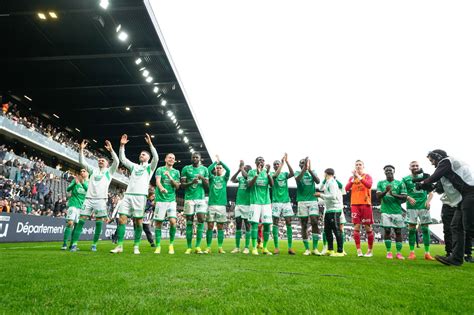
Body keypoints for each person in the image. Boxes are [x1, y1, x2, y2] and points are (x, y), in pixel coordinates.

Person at [418, 150, 474, 266]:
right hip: (463, 197)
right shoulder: (449, 168)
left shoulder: (446, 161)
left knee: (469, 226)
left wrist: (422, 182)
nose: (432, 164)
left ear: (438, 157)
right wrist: (429, 186)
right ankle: (456, 259)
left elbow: (435, 176)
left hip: (470, 194)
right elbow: (440, 188)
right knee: (456, 226)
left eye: (432, 160)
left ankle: (456, 258)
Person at [110, 133, 158, 255]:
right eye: (141, 154)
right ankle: (119, 246)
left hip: (140, 196)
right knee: (121, 220)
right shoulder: (134, 167)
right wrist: (121, 146)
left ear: (148, 157)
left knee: (138, 222)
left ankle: (136, 246)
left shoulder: (149, 168)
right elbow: (123, 159)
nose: (141, 155)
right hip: (128, 195)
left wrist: (150, 144)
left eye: (144, 154)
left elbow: (156, 158)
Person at [70, 139, 119, 252]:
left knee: (98, 223)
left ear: (107, 164)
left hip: (101, 200)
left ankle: (94, 244)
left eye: (103, 160)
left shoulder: (109, 172)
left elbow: (116, 162)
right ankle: (74, 244)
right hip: (88, 199)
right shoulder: (93, 170)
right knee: (81, 221)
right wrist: (81, 149)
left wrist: (111, 150)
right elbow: (82, 162)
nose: (100, 161)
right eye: (99, 160)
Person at [401, 161, 435, 260]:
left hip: (423, 206)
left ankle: (427, 253)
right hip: (412, 207)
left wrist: (428, 201)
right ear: (409, 167)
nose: (415, 167)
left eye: (417, 165)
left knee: (425, 229)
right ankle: (412, 252)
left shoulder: (425, 178)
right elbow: (402, 192)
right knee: (411, 229)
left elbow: (431, 193)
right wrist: (408, 197)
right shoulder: (405, 179)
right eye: (413, 166)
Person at [181, 152, 209, 254]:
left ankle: (197, 246)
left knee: (201, 219)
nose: (195, 159)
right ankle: (189, 247)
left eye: (197, 157)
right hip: (189, 198)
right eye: (193, 157)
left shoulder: (204, 170)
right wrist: (192, 182)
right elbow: (182, 185)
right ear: (191, 158)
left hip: (201, 198)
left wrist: (203, 179)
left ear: (200, 159)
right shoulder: (186, 169)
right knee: (189, 220)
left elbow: (208, 187)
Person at [376, 165, 407, 260]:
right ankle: (389, 252)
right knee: (387, 230)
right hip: (385, 210)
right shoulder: (381, 183)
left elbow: (404, 197)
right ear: (384, 172)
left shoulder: (400, 183)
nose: (388, 172)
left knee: (398, 231)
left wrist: (393, 194)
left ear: (394, 171)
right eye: (386, 170)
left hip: (397, 211)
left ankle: (398, 253)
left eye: (390, 170)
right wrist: (386, 191)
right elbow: (378, 196)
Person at [345, 160, 374, 257]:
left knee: (368, 227)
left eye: (360, 164)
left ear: (363, 166)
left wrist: (359, 177)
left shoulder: (367, 176)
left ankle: (370, 251)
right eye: (356, 165)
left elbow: (369, 185)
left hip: (365, 204)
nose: (358, 166)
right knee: (356, 227)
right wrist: (353, 178)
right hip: (355, 204)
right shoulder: (351, 178)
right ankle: (359, 251)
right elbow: (346, 188)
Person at [154, 153, 180, 255]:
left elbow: (177, 186)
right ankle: (158, 246)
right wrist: (161, 188)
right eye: (170, 157)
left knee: (173, 221)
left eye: (173, 158)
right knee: (158, 223)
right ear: (165, 159)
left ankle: (171, 245)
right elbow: (158, 182)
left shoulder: (176, 172)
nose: (171, 159)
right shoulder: (160, 169)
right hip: (160, 199)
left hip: (171, 200)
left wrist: (170, 177)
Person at [247, 156, 274, 255]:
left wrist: (267, 174)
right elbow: (249, 185)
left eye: (263, 160)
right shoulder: (251, 172)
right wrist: (256, 175)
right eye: (259, 160)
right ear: (255, 162)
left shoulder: (267, 172)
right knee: (254, 224)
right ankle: (254, 248)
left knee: (267, 225)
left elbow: (272, 184)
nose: (261, 162)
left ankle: (265, 248)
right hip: (255, 202)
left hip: (266, 202)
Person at [294, 157, 321, 256]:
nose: (304, 164)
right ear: (299, 165)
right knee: (304, 224)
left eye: (305, 163)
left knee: (314, 221)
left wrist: (309, 170)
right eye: (302, 163)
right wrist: (304, 169)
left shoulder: (312, 171)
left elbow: (318, 181)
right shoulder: (297, 172)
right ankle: (307, 249)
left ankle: (315, 248)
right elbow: (297, 180)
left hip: (313, 200)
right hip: (302, 201)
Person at [270, 153, 296, 255]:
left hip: (286, 201)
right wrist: (282, 163)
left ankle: (290, 247)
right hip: (276, 201)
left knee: (289, 222)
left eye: (278, 164)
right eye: (275, 164)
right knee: (275, 222)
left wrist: (287, 162)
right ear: (273, 166)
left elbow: (292, 173)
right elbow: (276, 174)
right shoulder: (272, 175)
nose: (276, 165)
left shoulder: (284, 174)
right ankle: (276, 247)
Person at [204, 155, 230, 254]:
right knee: (210, 225)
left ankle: (220, 247)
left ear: (222, 170)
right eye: (217, 168)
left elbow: (228, 170)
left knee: (220, 227)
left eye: (220, 168)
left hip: (222, 205)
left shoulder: (224, 178)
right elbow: (207, 170)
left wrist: (221, 162)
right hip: (211, 205)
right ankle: (208, 247)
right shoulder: (211, 178)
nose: (218, 169)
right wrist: (215, 163)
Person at [315, 168, 344, 257]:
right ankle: (330, 249)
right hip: (328, 209)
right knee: (327, 231)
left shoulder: (332, 183)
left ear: (326, 173)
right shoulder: (328, 182)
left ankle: (340, 251)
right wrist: (324, 180)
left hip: (334, 209)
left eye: (324, 174)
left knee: (336, 230)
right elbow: (320, 188)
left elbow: (333, 196)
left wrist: (321, 195)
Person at [439, 190, 473, 263]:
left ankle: (467, 254)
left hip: (461, 203)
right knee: (449, 229)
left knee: (466, 228)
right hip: (448, 204)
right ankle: (451, 253)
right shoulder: (443, 180)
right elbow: (439, 190)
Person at [61, 169, 88, 250]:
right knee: (70, 223)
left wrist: (83, 183)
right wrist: (74, 184)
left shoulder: (89, 183)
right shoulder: (75, 180)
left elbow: (89, 191)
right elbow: (68, 189)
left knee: (77, 226)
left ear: (87, 173)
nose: (82, 172)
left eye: (84, 171)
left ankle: (72, 244)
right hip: (73, 204)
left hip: (82, 207)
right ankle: (64, 243)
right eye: (81, 171)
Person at [230, 161, 252, 254]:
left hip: (247, 204)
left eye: (246, 168)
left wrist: (242, 168)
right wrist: (239, 170)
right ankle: (237, 247)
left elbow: (246, 176)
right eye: (244, 168)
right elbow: (232, 179)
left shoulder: (250, 178)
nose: (244, 169)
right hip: (238, 204)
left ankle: (246, 247)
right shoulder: (240, 178)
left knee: (247, 225)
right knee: (238, 224)